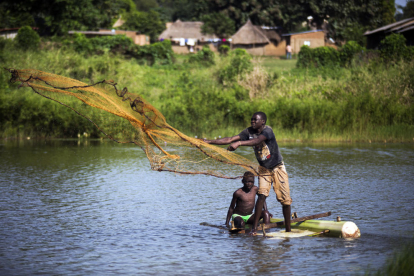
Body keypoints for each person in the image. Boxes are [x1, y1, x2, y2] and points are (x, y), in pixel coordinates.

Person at [205, 112, 292, 235]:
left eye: (255, 120)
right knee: (261, 195)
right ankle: (254, 230)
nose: (252, 122)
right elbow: (230, 139)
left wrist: (239, 144)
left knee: (285, 200)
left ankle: (288, 230)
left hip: (278, 167)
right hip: (264, 169)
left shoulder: (268, 131)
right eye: (251, 120)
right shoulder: (248, 132)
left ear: (262, 122)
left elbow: (257, 141)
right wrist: (208, 141)